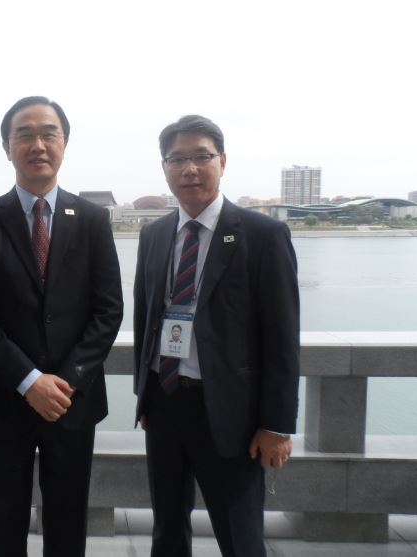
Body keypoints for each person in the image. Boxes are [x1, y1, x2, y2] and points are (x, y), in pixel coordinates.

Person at [0, 96, 124, 557]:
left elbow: (108, 310)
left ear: (64, 143)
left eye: (49, 133)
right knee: (4, 520)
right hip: (5, 400)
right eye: (24, 134)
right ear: (7, 147)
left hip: (72, 401)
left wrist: (64, 382)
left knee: (68, 520)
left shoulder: (92, 220)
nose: (38, 145)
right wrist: (29, 381)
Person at [133, 115, 300, 557]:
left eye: (201, 156)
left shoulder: (263, 236)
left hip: (230, 412)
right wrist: (145, 396)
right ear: (165, 168)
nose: (189, 169)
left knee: (239, 534)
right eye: (177, 159)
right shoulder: (154, 235)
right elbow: (146, 316)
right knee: (167, 528)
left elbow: (282, 337)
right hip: (166, 403)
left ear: (222, 162)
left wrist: (276, 425)